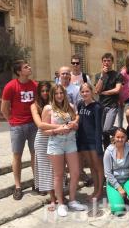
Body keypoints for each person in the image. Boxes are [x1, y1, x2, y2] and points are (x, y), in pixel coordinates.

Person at [42, 84, 86, 217]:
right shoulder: (48, 109)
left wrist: (74, 125)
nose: (59, 96)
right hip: (56, 144)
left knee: (75, 172)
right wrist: (57, 130)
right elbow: (44, 131)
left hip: (71, 143)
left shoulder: (71, 107)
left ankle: (72, 200)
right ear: (53, 95)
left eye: (61, 93)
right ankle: (60, 203)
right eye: (57, 94)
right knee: (59, 175)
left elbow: (76, 125)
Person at [1, 60, 38, 200]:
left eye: (29, 66)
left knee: (35, 154)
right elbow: (4, 108)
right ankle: (18, 186)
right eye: (26, 67)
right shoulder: (10, 86)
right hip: (17, 126)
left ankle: (37, 182)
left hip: (33, 125)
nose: (29, 68)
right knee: (17, 155)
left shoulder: (35, 85)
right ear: (19, 71)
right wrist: (11, 121)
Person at [31, 82, 69, 210]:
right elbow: (41, 126)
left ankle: (60, 196)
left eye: (47, 90)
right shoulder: (35, 106)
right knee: (47, 170)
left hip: (57, 139)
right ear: (38, 93)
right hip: (43, 140)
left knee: (58, 170)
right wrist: (60, 127)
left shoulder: (59, 104)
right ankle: (53, 199)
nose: (45, 93)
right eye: (42, 91)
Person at [103, 127, 129, 215]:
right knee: (118, 211)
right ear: (114, 138)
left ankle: (127, 196)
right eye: (118, 137)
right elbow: (107, 173)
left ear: (126, 137)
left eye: (122, 137)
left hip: (127, 179)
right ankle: (119, 198)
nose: (120, 139)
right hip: (113, 182)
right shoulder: (108, 152)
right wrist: (119, 188)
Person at [77, 83, 104, 200]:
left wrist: (99, 145)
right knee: (92, 167)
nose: (85, 94)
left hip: (94, 141)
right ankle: (95, 190)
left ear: (92, 92)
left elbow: (99, 127)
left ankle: (99, 191)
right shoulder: (80, 104)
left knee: (98, 166)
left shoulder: (97, 107)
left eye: (87, 91)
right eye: (82, 92)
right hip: (83, 141)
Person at [95, 53, 123, 148]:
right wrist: (102, 75)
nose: (106, 63)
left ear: (112, 62)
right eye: (104, 61)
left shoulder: (117, 75)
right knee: (104, 132)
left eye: (109, 61)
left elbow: (117, 89)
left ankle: (122, 132)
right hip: (101, 106)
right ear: (102, 62)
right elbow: (97, 90)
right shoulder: (99, 75)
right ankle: (107, 151)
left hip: (112, 105)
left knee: (107, 128)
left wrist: (104, 93)